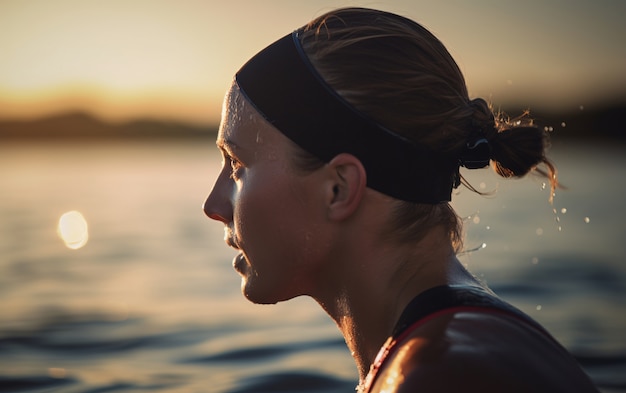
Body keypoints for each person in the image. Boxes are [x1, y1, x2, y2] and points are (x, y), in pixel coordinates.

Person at [203, 7, 598, 392]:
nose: (213, 205)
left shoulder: (434, 375)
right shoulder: (467, 341)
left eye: (237, 164)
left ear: (338, 189)